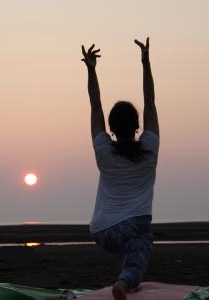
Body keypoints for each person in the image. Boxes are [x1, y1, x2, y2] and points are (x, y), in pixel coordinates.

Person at [81, 38, 159, 300]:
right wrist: (146, 63)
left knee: (133, 241)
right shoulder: (149, 147)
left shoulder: (104, 150)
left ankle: (126, 278)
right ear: (137, 126)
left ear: (111, 129)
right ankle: (125, 282)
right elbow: (150, 101)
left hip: (102, 232)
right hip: (133, 225)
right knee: (140, 238)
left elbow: (95, 106)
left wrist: (91, 70)